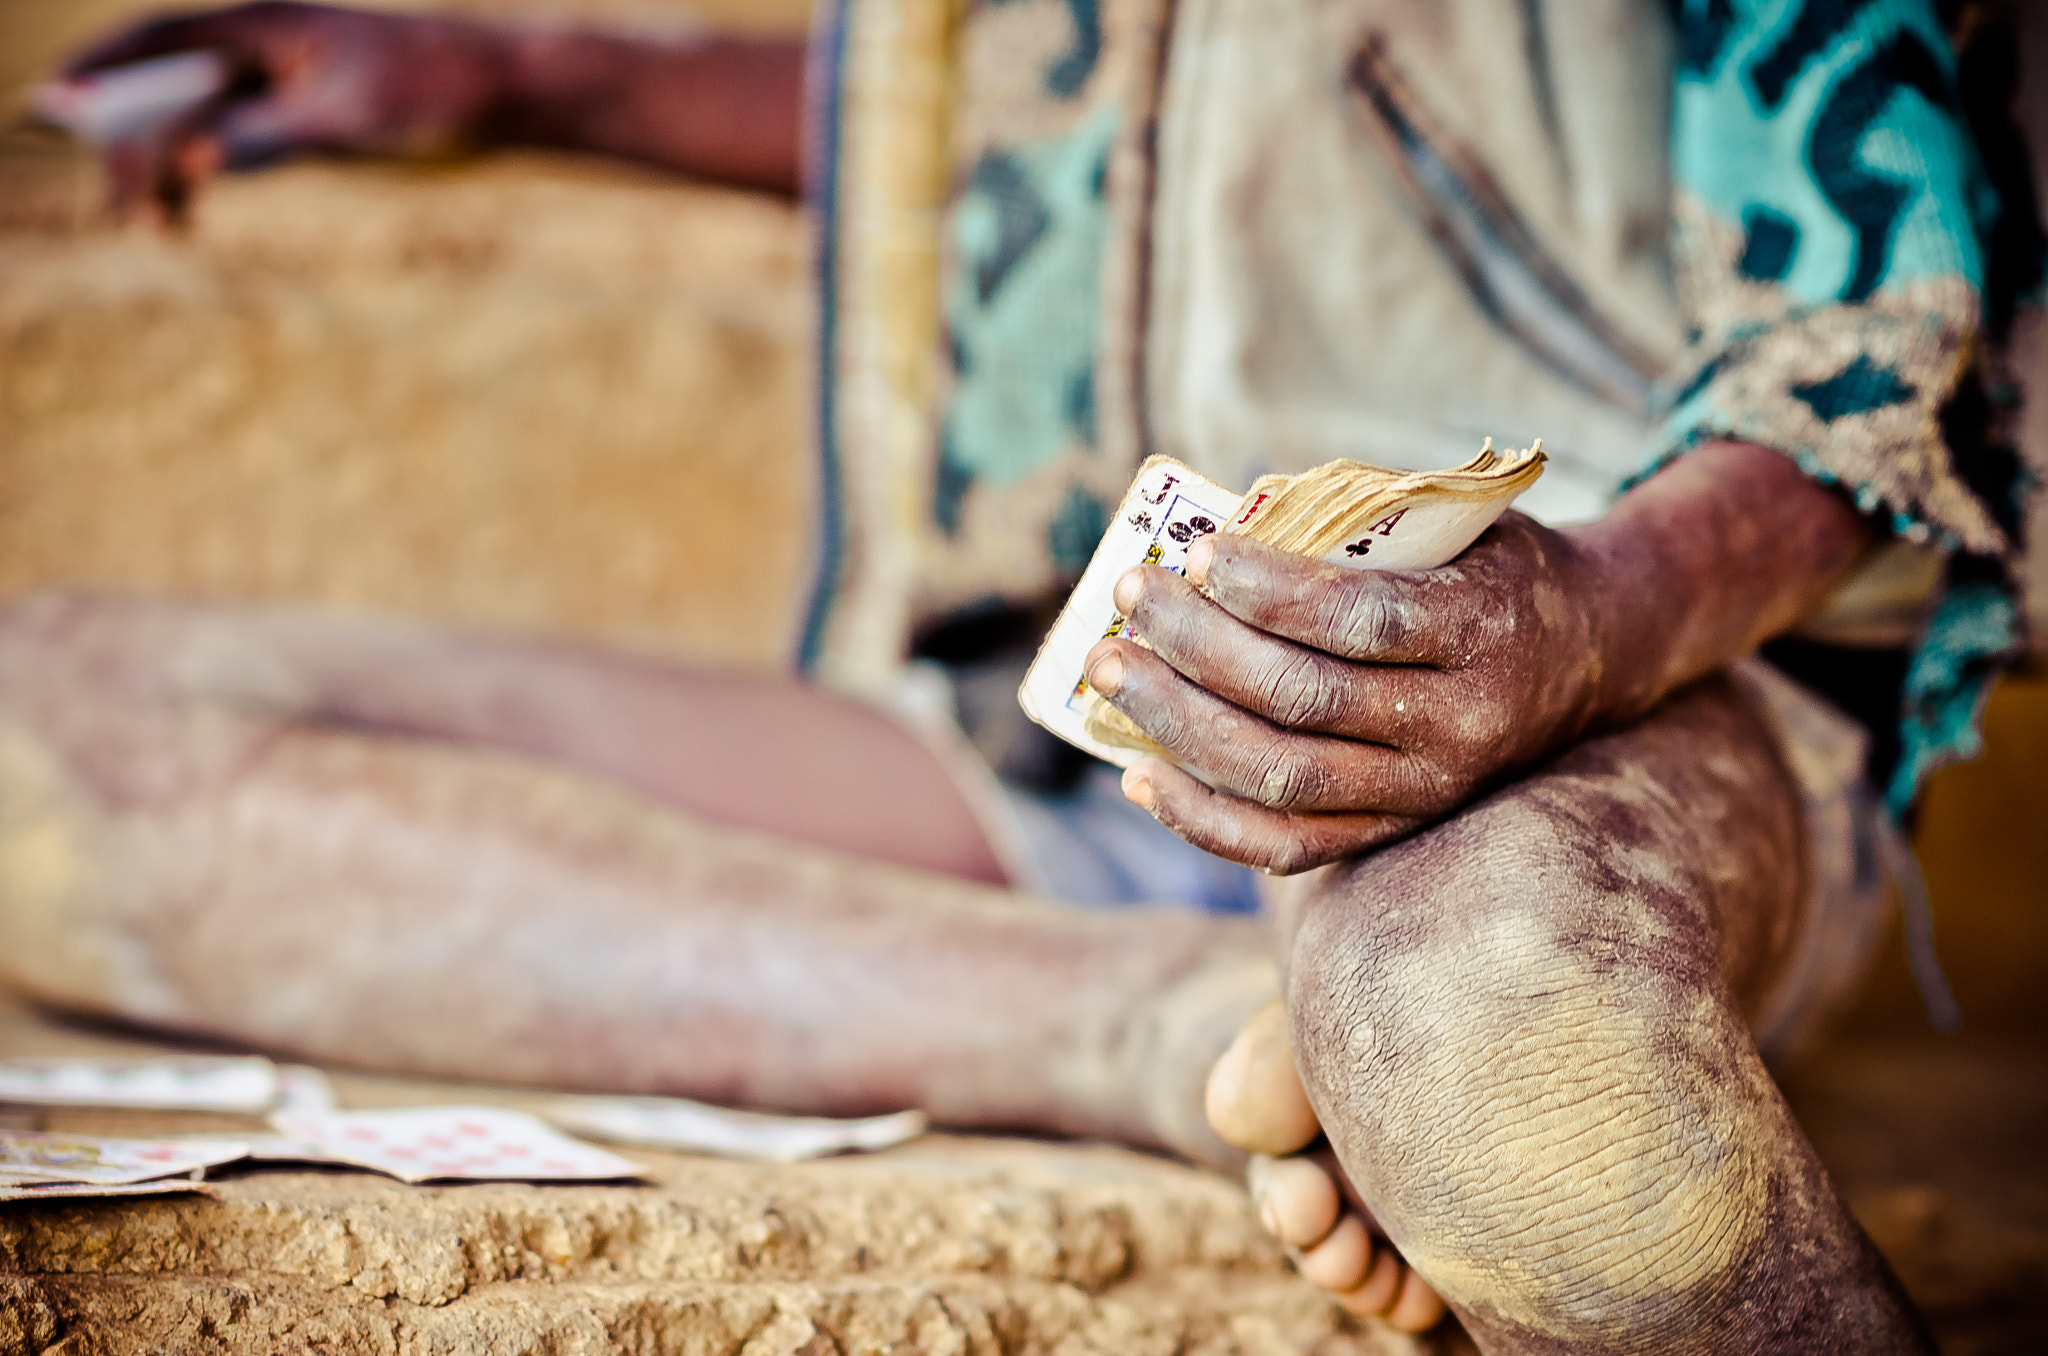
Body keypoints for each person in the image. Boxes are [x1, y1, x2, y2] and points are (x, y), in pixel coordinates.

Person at [6, 0, 2040, 1349]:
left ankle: (1364, 1038)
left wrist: (1595, 618)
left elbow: (1890, 295)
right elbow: (1034, 146)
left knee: (1497, 1034)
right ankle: (1181, 1037)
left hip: (1599, 714)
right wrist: (528, 78)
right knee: (40, 731)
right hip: (1040, 728)